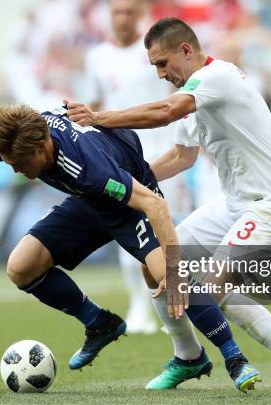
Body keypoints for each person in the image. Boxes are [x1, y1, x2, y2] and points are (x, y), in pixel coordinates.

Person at [0, 103, 262, 392]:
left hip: (129, 202)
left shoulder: (86, 167)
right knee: (20, 267)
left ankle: (235, 359)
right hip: (87, 203)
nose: (15, 169)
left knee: (168, 275)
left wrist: (178, 272)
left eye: (19, 163)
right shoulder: (19, 137)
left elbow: (153, 204)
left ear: (42, 146)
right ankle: (99, 323)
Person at [66, 17, 271, 395]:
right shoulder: (194, 90)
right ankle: (188, 356)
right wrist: (126, 187)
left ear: (186, 50)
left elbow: (164, 113)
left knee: (211, 288)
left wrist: (97, 119)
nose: (159, 73)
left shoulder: (217, 78)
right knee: (156, 263)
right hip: (235, 205)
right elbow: (180, 157)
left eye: (162, 63)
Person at [81, 0, 189, 335]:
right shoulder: (96, 57)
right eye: (117, 12)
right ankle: (139, 305)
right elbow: (93, 105)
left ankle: (180, 299)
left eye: (129, 12)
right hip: (118, 154)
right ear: (109, 16)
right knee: (129, 228)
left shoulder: (154, 53)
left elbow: (180, 91)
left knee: (169, 227)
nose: (123, 18)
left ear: (139, 15)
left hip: (163, 152)